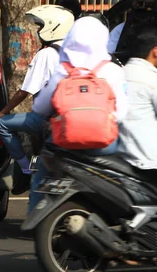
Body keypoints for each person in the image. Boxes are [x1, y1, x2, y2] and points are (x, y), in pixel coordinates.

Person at [29, 16, 129, 213]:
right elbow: (122, 113)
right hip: (104, 146)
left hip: (64, 144)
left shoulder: (63, 70)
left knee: (41, 173)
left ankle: (34, 215)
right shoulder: (113, 70)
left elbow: (39, 108)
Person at [0, 5, 75, 180]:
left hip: (48, 119)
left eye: (41, 26)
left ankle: (25, 169)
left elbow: (24, 92)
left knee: (2, 124)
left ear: (53, 26)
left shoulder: (46, 55)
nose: (38, 30)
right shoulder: (77, 52)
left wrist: (2, 112)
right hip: (76, 117)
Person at [117, 24, 157, 169]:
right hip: (147, 160)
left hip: (118, 156)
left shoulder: (120, 73)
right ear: (155, 51)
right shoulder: (152, 80)